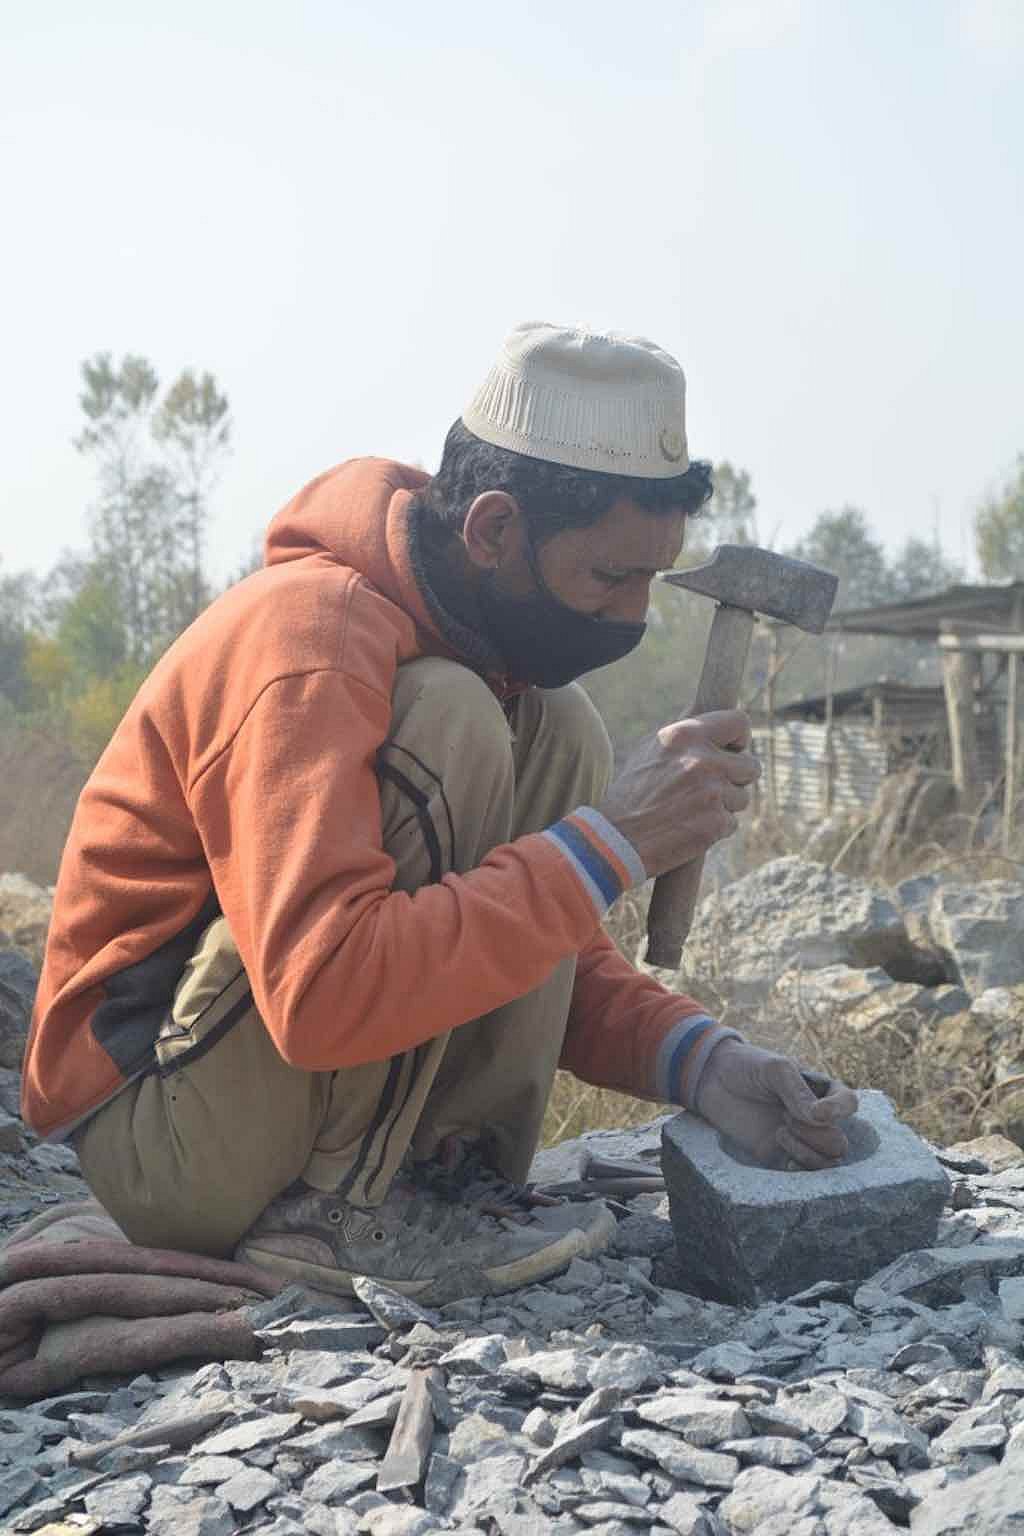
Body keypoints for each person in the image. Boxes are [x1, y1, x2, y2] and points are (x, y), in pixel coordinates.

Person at [21, 323, 856, 1302]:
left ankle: (445, 1179)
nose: (631, 617)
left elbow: (530, 945)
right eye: (606, 578)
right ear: (493, 529)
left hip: (261, 1093)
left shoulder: (496, 662)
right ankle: (346, 1214)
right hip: (161, 1137)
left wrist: (706, 1064)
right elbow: (325, 989)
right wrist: (616, 842)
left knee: (559, 726)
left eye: (649, 579)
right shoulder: (313, 638)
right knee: (458, 717)